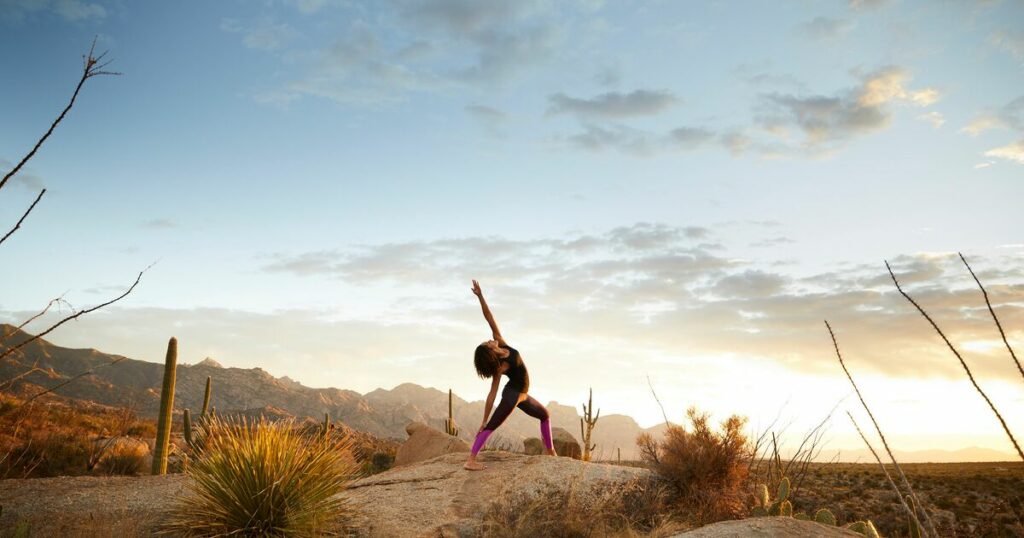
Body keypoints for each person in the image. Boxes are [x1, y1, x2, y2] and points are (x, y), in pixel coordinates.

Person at [464, 279, 556, 471]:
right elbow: (492, 393)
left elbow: (488, 317)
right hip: (513, 395)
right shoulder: (501, 367)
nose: (489, 339)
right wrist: (483, 419)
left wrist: (480, 296)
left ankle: (551, 452)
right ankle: (470, 460)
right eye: (487, 342)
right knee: (491, 425)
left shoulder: (501, 341)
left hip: (522, 395)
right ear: (490, 351)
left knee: (545, 415)